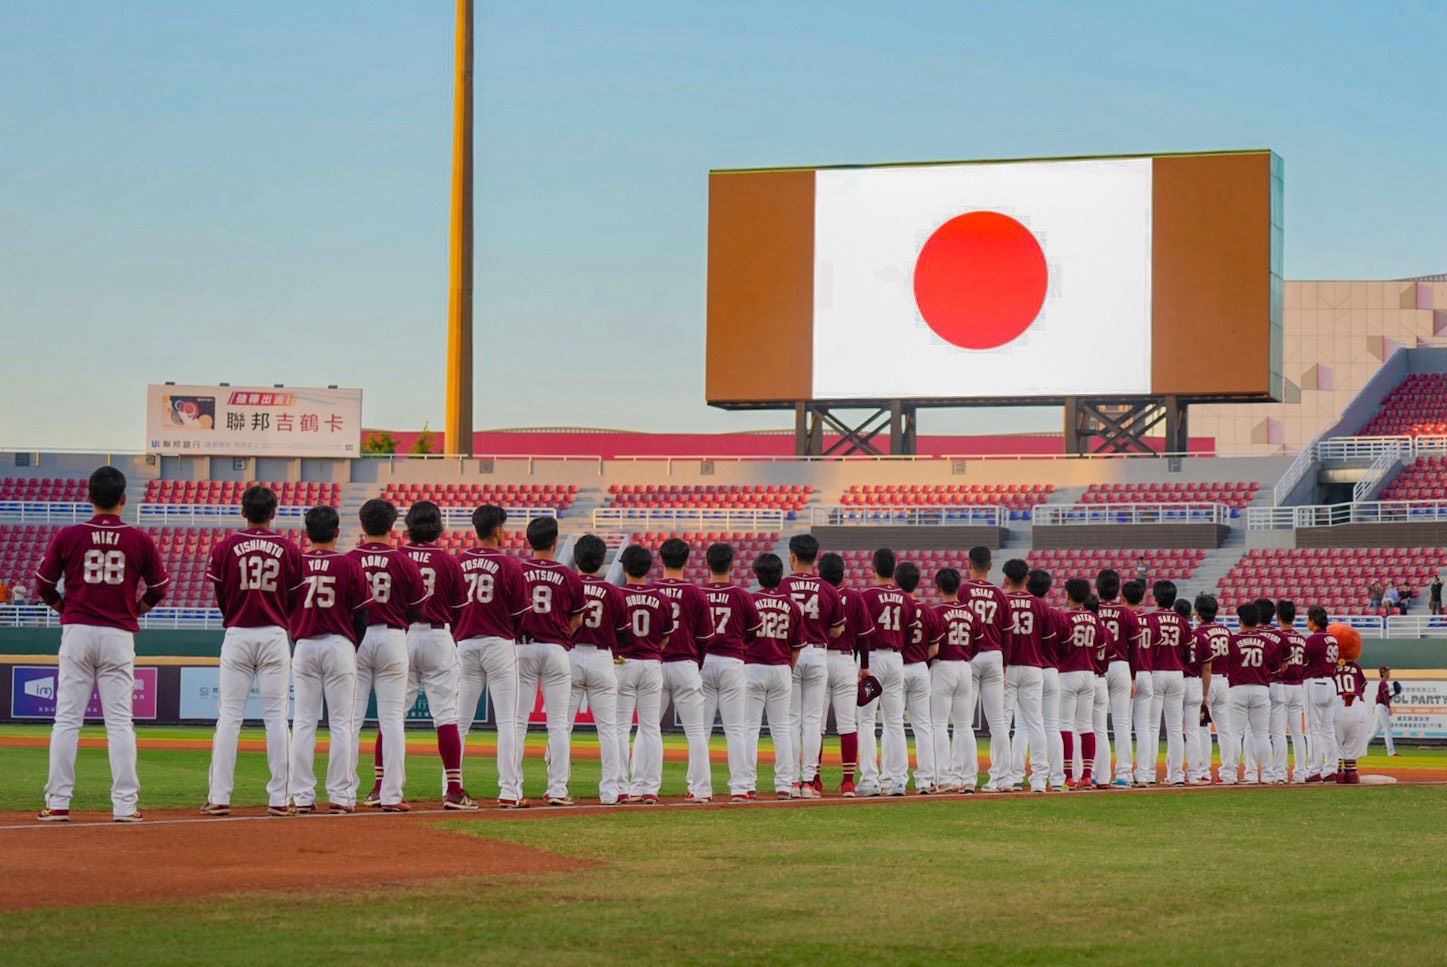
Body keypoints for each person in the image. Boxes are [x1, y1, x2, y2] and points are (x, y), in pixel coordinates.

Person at [36, 466, 168, 822]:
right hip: (118, 634)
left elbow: (43, 586)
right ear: (124, 499)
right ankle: (125, 805)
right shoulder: (139, 539)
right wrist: (137, 609)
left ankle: (59, 803)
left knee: (66, 721)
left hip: (78, 629)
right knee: (120, 723)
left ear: (89, 497)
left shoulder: (69, 536)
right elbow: (160, 588)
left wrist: (63, 606)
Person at [201, 484, 304, 817]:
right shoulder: (289, 548)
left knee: (229, 716)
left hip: (238, 633)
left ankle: (219, 797)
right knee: (276, 718)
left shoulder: (226, 547)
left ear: (243, 511)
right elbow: (295, 598)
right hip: (274, 633)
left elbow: (220, 593)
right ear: (274, 513)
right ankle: (279, 798)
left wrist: (234, 615)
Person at [287, 505, 371, 814]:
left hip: (305, 644)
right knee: (342, 725)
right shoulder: (349, 565)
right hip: (339, 644)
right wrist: (352, 644)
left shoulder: (296, 563)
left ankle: (303, 797)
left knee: (305, 723)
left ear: (306, 534)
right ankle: (341, 796)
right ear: (337, 532)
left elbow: (285, 607)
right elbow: (362, 614)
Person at [350, 498, 429, 812]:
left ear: (362, 523)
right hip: (393, 636)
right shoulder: (403, 562)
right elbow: (418, 608)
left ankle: (344, 793)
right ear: (392, 526)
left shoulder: (349, 560)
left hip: (357, 638)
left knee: (349, 720)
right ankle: (392, 795)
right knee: (393, 720)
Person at [397, 500, 476, 809]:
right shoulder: (447, 560)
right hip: (437, 633)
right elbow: (459, 609)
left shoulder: (398, 556)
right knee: (445, 715)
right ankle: (454, 789)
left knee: (393, 716)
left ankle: (382, 787)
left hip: (402, 635)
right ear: (438, 527)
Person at [454, 504, 531, 808]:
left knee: (459, 721)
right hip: (498, 643)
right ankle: (509, 791)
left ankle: (451, 785)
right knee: (508, 721)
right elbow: (521, 616)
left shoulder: (459, 562)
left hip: (464, 643)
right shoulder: (510, 566)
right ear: (498, 530)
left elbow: (450, 608)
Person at [516, 516, 586, 806]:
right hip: (556, 649)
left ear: (528, 541)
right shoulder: (570, 576)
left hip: (523, 648)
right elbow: (578, 618)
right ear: (556, 542)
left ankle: (513, 788)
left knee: (517, 722)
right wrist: (561, 636)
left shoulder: (517, 571)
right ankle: (557, 789)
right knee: (558, 725)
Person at [778, 534, 844, 799]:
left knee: (791, 720)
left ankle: (792, 781)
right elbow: (838, 628)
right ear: (815, 558)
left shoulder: (783, 586)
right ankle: (808, 782)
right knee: (813, 721)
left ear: (792, 557)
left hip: (791, 654)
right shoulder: (828, 588)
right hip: (818, 652)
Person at [651, 538, 714, 803]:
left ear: (661, 560)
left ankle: (645, 788)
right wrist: (696, 662)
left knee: (648, 728)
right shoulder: (696, 593)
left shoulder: (652, 592)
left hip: (657, 664)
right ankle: (701, 789)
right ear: (687, 561)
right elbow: (706, 637)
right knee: (696, 731)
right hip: (686, 664)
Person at [702, 542, 762, 800]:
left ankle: (700, 788)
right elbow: (754, 630)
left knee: (700, 729)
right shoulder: (741, 595)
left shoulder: (699, 593)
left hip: (704, 662)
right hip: (732, 661)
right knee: (736, 729)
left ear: (707, 564)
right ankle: (740, 785)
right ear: (732, 565)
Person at [614, 544, 674, 804]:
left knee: (619, 728)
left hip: (623, 663)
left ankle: (620, 787)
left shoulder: (617, 595)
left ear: (624, 567)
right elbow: (666, 637)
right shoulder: (661, 597)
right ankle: (650, 788)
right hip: (651, 663)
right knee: (651, 728)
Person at [571, 533, 628, 805]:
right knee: (609, 729)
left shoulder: (568, 585)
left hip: (570, 655)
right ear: (603, 560)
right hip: (602, 657)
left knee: (560, 726)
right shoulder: (613, 591)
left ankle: (556, 786)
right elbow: (623, 634)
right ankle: (610, 791)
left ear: (576, 557)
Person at [746, 552, 805, 800]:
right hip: (781, 667)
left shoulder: (749, 600)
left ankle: (747, 783)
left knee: (749, 729)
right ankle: (784, 784)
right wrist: (788, 669)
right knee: (782, 729)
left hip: (753, 667)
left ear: (756, 574)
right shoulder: (792, 605)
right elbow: (797, 647)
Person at [855, 548, 913, 797]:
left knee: (866, 720)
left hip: (874, 660)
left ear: (874, 569)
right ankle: (898, 780)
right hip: (896, 660)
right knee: (895, 721)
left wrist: (864, 665)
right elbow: (910, 634)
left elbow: (863, 635)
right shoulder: (906, 598)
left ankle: (870, 780)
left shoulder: (866, 596)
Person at [817, 551, 869, 796]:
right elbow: (864, 635)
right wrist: (864, 665)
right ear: (843, 573)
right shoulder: (854, 597)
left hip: (818, 657)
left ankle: (813, 779)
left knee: (815, 723)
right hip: (846, 659)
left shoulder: (816, 594)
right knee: (848, 723)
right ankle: (848, 781)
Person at [960, 546, 1010, 793]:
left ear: (968, 563)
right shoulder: (1000, 595)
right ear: (991, 566)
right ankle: (1002, 778)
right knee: (998, 721)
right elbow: (1007, 633)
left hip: (969, 656)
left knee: (964, 720)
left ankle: (966, 778)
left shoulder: (963, 590)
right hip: (994, 655)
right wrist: (1005, 663)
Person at [1002, 559, 1054, 793]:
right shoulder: (1040, 605)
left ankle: (1006, 776)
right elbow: (1046, 640)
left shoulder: (1002, 601)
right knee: (1035, 723)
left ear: (1006, 578)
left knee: (1003, 723)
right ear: (1027, 579)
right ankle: (1040, 779)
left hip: (1008, 667)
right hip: (1034, 666)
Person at [1225, 603, 1286, 785]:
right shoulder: (1269, 642)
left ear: (1240, 620)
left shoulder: (1232, 640)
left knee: (1235, 734)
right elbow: (1276, 669)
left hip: (1237, 689)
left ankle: (1230, 775)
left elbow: (1226, 665)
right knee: (1261, 735)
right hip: (1261, 689)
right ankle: (1268, 774)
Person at [895, 562, 941, 793]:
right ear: (918, 582)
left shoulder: (896, 606)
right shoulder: (929, 611)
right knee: (923, 725)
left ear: (896, 580)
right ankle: (926, 780)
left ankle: (895, 778)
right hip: (921, 667)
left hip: (898, 667)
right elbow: (935, 649)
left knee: (894, 724)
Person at [930, 568, 976, 795]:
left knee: (938, 724)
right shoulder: (971, 612)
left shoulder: (937, 612)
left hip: (943, 665)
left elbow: (933, 647)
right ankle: (969, 779)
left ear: (938, 588)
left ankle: (944, 777)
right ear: (959, 587)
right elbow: (976, 644)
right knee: (964, 725)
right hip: (965, 666)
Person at [1057, 579, 1105, 789]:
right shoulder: (1094, 619)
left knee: (1065, 725)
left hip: (1068, 672)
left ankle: (1068, 775)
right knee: (1086, 725)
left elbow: (1058, 646)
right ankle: (1087, 775)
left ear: (1067, 594)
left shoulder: (1063, 617)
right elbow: (1101, 646)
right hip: (1089, 673)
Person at [1141, 580, 1189, 786]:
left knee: (1152, 727)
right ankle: (1177, 774)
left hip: (1157, 672)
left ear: (1156, 598)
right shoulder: (1182, 621)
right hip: (1177, 673)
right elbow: (1188, 653)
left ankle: (1149, 773)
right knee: (1175, 728)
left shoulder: (1150, 619)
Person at [1096, 572, 1142, 789]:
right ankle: (1124, 773)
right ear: (1119, 591)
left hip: (1100, 667)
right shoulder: (1127, 613)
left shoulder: (1092, 611)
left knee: (1096, 723)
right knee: (1122, 723)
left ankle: (1097, 771)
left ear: (1097, 588)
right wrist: (1134, 677)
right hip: (1122, 666)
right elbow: (1135, 650)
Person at [1193, 594, 1235, 784]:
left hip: (1206, 681)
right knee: (1225, 729)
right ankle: (1229, 772)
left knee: (1203, 728)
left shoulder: (1198, 633)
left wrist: (1203, 692)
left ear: (1199, 613)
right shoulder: (1226, 631)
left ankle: (1204, 771)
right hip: (1224, 681)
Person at [1301, 608, 1341, 782]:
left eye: (1308, 619)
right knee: (1328, 730)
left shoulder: (1312, 640)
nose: (1307, 622)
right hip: (1331, 683)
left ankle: (1314, 769)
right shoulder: (1333, 638)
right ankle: (1331, 768)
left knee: (1312, 730)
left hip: (1315, 683)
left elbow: (1303, 662)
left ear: (1313, 620)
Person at [1270, 600, 1308, 783]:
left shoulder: (1277, 638)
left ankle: (1280, 773)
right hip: (1298, 687)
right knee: (1297, 733)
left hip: (1281, 685)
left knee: (1278, 732)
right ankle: (1301, 773)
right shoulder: (1301, 639)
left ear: (1277, 617)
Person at [1173, 599, 1205, 784]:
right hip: (1195, 682)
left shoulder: (1175, 634)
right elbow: (1206, 667)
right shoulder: (1199, 636)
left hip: (1178, 679)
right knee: (1193, 731)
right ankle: (1194, 773)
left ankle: (1175, 773)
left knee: (1175, 729)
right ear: (1190, 615)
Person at [1374, 667, 1398, 756]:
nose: (1389, 673)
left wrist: (1395, 694)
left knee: (1374, 732)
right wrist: (1389, 708)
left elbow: (1387, 698)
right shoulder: (1383, 684)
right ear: (1383, 673)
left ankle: (1360, 748)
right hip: (1381, 708)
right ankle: (1391, 752)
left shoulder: (1384, 684)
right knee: (1388, 729)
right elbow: (1385, 698)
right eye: (1388, 671)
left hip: (1380, 707)